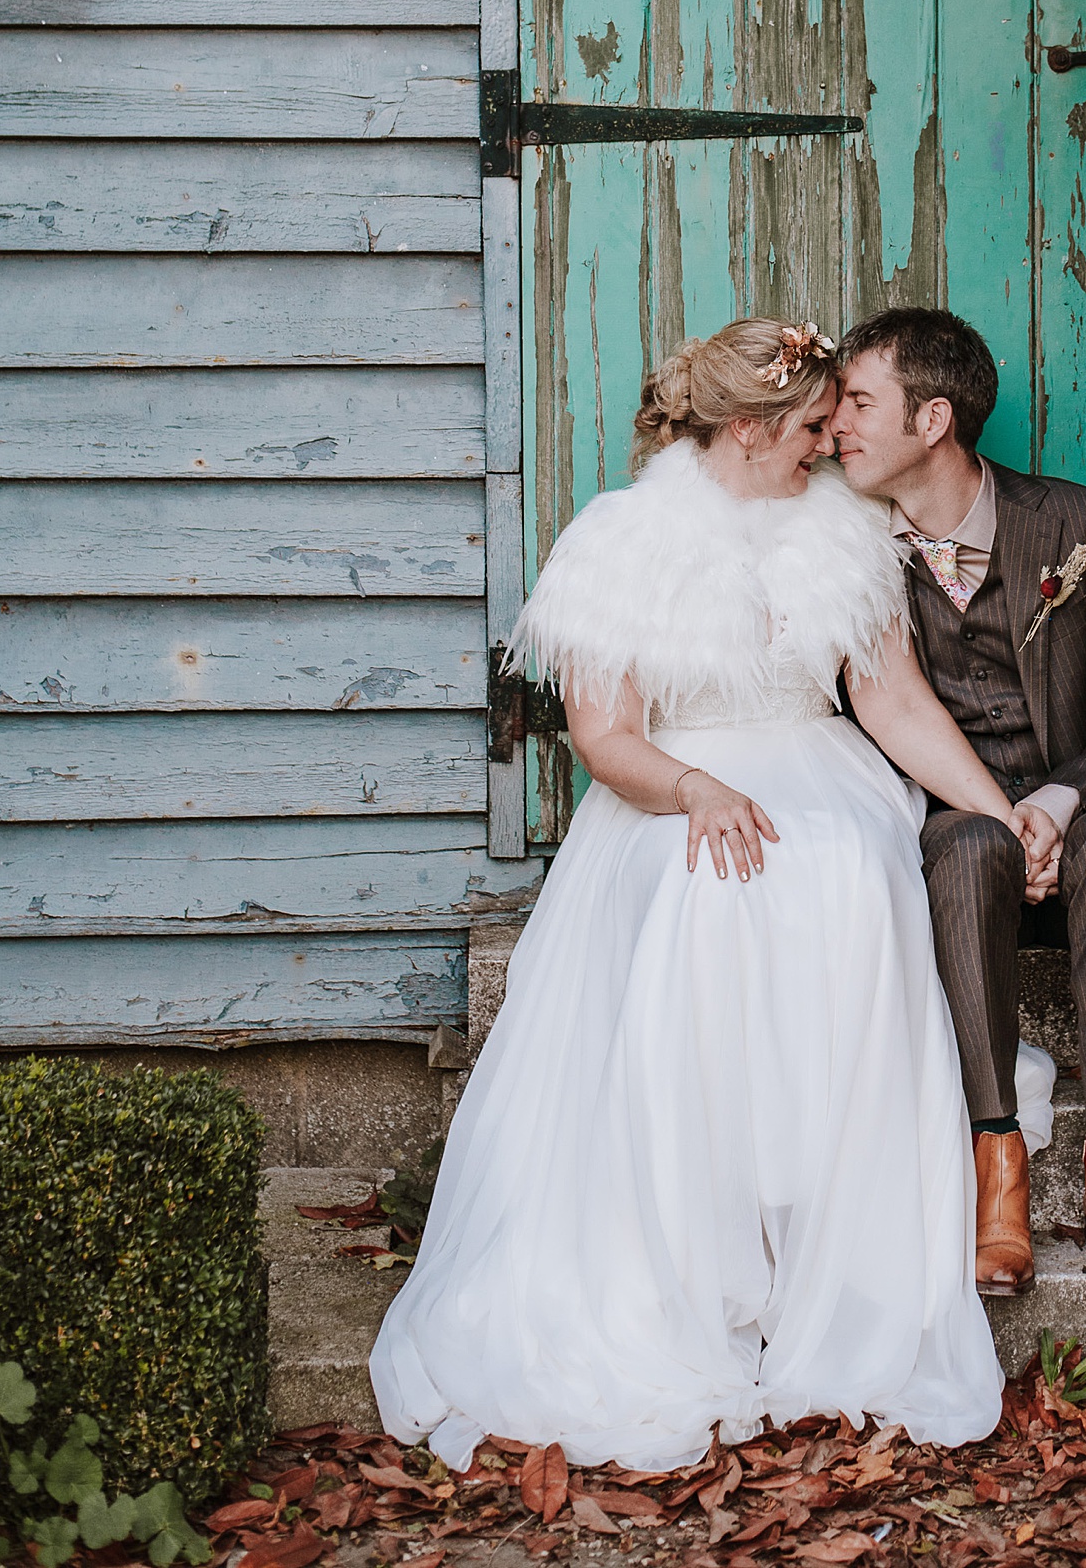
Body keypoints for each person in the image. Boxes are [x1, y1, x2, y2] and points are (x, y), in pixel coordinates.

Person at [370, 317, 1023, 1473]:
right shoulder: (624, 541)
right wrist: (692, 788)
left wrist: (996, 810)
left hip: (820, 773)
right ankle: (706, 1240)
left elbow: (893, 704)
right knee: (715, 890)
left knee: (842, 871)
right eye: (816, 428)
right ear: (749, 430)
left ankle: (818, 1231)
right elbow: (603, 738)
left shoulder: (842, 531)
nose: (832, 447)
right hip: (669, 785)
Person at [830, 308, 1086, 1300]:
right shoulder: (848, 551)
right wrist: (997, 813)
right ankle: (997, 1164)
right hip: (956, 816)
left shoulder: (1077, 525)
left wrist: (1061, 800)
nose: (835, 427)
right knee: (962, 851)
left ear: (932, 417)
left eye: (859, 403)